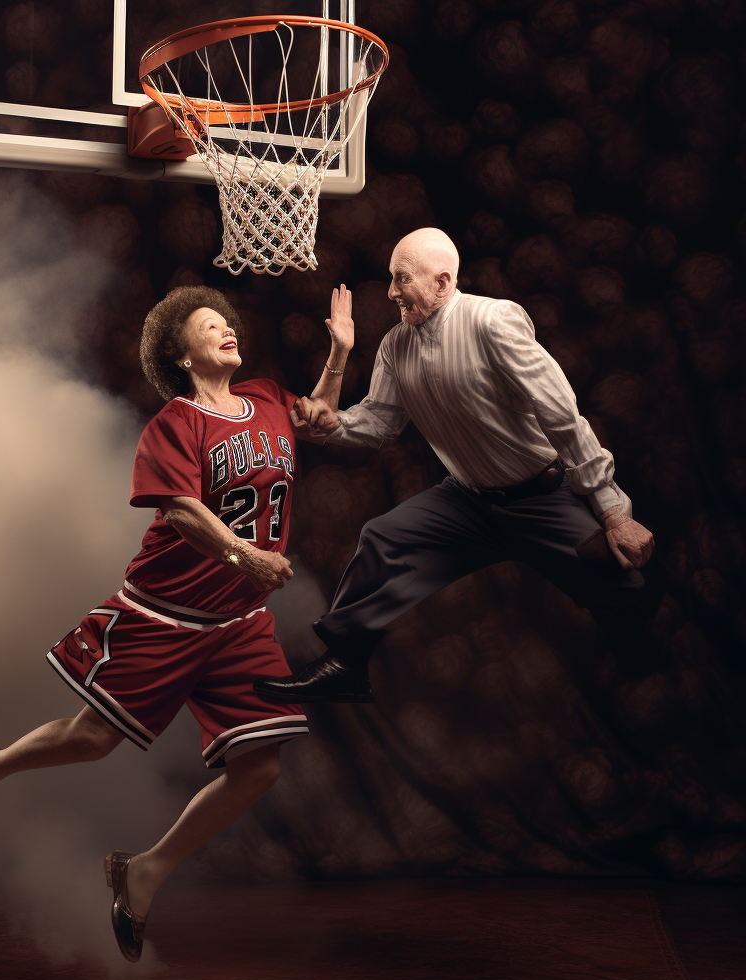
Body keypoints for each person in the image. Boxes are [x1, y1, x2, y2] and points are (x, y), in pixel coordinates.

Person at [0, 284, 353, 962]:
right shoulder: (175, 424)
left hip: (238, 621)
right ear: (180, 354)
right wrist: (245, 554)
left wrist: (339, 351)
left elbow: (324, 416)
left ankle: (145, 871)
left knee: (260, 767)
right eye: (209, 325)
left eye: (228, 322)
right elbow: (182, 511)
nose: (226, 330)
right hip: (162, 614)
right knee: (94, 739)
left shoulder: (269, 395)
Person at [256, 227, 656, 706]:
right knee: (383, 539)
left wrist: (612, 510)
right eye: (390, 279)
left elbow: (562, 414)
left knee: (625, 585)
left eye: (401, 279)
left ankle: (643, 667)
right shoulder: (394, 346)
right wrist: (330, 425)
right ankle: (345, 663)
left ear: (443, 282)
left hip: (540, 496)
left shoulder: (492, 322)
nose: (390, 292)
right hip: (467, 502)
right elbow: (379, 422)